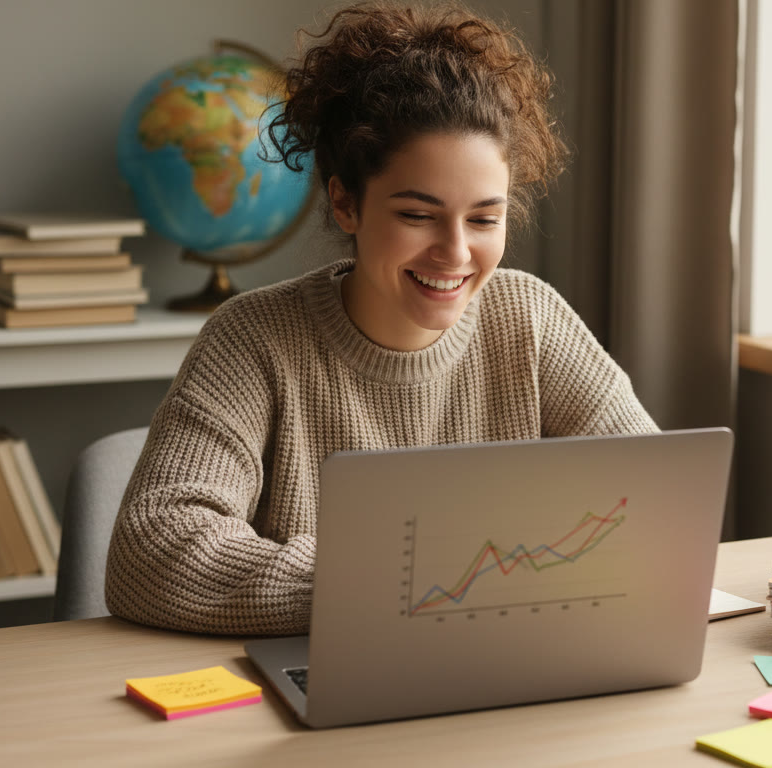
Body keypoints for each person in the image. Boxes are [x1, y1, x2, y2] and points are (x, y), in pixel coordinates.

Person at [104, 2, 657, 635]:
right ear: (345, 202)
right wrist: (399, 583)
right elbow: (151, 552)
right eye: (417, 215)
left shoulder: (529, 319)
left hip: (507, 667)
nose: (455, 253)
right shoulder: (250, 340)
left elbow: (652, 502)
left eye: (483, 218)